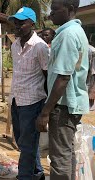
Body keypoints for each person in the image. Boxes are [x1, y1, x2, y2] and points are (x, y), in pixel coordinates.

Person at [37, 0, 89, 179]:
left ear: (71, 10)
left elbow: (63, 77)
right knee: (67, 153)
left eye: (55, 10)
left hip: (63, 105)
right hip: (70, 103)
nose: (51, 14)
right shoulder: (75, 32)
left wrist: (45, 112)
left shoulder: (67, 35)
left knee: (59, 159)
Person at [8, 7, 49, 180]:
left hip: (32, 102)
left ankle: (24, 176)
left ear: (32, 24)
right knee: (23, 140)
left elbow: (48, 76)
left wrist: (46, 108)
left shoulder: (40, 46)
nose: (17, 26)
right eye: (15, 22)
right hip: (16, 100)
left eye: (21, 22)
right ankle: (37, 172)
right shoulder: (14, 45)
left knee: (27, 144)